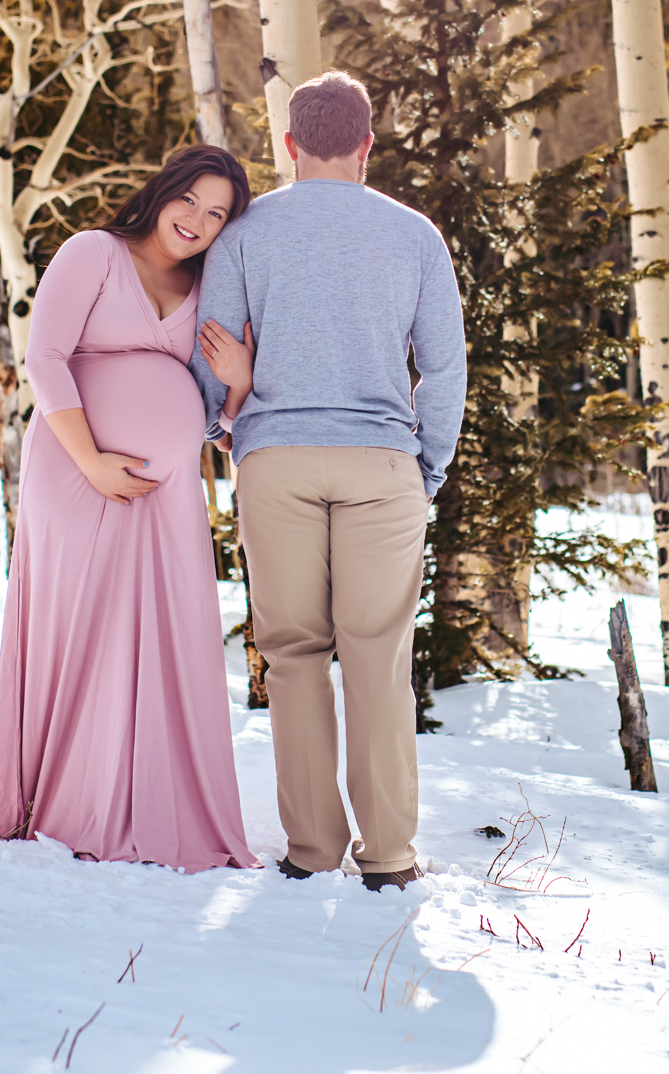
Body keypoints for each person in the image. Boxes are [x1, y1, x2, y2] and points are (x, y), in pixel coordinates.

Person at [191, 72, 466, 891]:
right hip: (383, 465)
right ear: (367, 145)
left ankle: (311, 849)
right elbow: (444, 367)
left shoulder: (243, 233)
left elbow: (212, 356)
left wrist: (226, 421)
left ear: (289, 145)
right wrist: (429, 465)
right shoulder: (416, 235)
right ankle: (387, 857)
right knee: (378, 655)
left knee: (293, 653)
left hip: (275, 458)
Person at [0, 145, 261, 873]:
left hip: (166, 494)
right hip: (74, 468)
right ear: (163, 189)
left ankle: (149, 805)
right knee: (83, 627)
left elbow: (217, 424)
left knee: (167, 638)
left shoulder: (208, 284)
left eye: (217, 212)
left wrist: (240, 381)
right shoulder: (92, 253)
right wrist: (92, 459)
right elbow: (45, 357)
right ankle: (67, 803)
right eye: (190, 199)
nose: (197, 220)